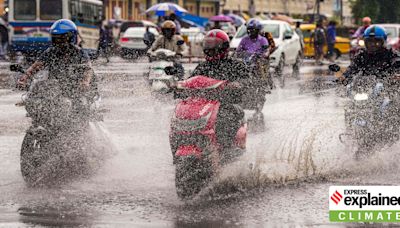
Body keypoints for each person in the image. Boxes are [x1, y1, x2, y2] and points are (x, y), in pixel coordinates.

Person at [189, 29, 251, 149]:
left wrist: (237, 84)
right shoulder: (202, 67)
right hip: (203, 106)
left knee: (223, 119)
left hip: (228, 104)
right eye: (208, 46)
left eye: (214, 46)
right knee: (185, 117)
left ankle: (225, 149)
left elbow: (246, 81)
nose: (211, 50)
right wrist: (177, 86)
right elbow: (191, 80)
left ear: (224, 47)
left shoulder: (235, 65)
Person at [18, 19, 95, 103]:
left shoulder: (79, 53)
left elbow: (88, 70)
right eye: (56, 39)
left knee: (81, 105)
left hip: (76, 87)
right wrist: (24, 78)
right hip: (55, 87)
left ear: (71, 37)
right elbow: (36, 66)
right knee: (37, 88)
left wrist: (85, 82)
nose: (59, 42)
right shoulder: (51, 51)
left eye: (62, 39)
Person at [235, 18, 271, 110]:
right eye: (249, 30)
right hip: (246, 62)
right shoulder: (244, 40)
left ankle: (264, 84)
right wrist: (240, 54)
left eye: (253, 30)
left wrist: (263, 55)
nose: (251, 32)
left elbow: (266, 50)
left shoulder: (263, 40)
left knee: (261, 66)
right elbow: (238, 51)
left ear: (258, 31)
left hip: (258, 63)